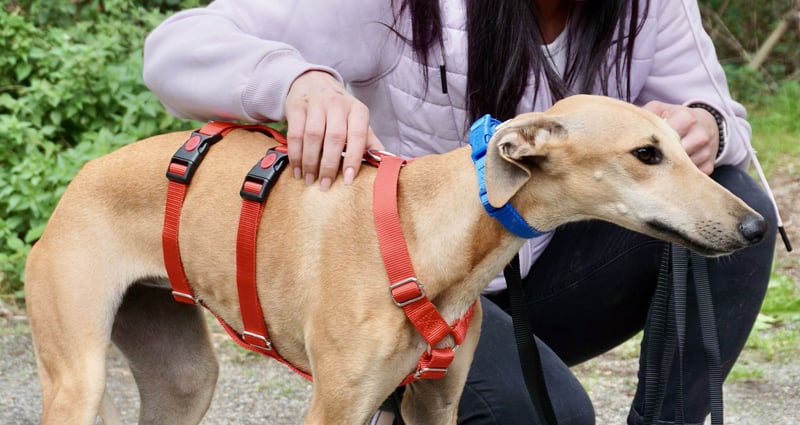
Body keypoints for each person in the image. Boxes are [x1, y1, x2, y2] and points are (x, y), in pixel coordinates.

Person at [142, 0, 780, 423]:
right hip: (407, 290)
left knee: (740, 203)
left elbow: (722, 119)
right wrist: (296, 80)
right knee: (546, 416)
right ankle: (402, 388)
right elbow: (175, 47)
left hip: (541, 274)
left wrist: (707, 127)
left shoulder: (650, 7)